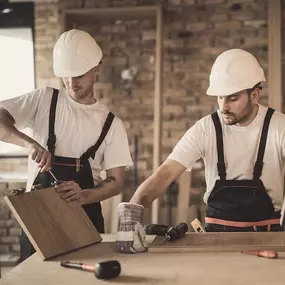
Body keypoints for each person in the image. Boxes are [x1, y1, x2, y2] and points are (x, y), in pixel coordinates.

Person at [115, 48, 285, 253]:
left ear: (255, 95)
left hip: (267, 241)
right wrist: (134, 211)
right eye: (220, 97)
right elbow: (166, 173)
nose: (224, 106)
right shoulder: (206, 129)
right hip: (215, 240)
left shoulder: (280, 127)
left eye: (233, 98)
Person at [0, 29, 133, 261]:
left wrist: (82, 195)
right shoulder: (43, 100)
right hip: (38, 221)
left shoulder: (111, 124)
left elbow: (116, 182)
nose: (72, 82)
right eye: (66, 75)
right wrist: (28, 143)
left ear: (95, 68)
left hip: (84, 223)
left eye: (79, 74)